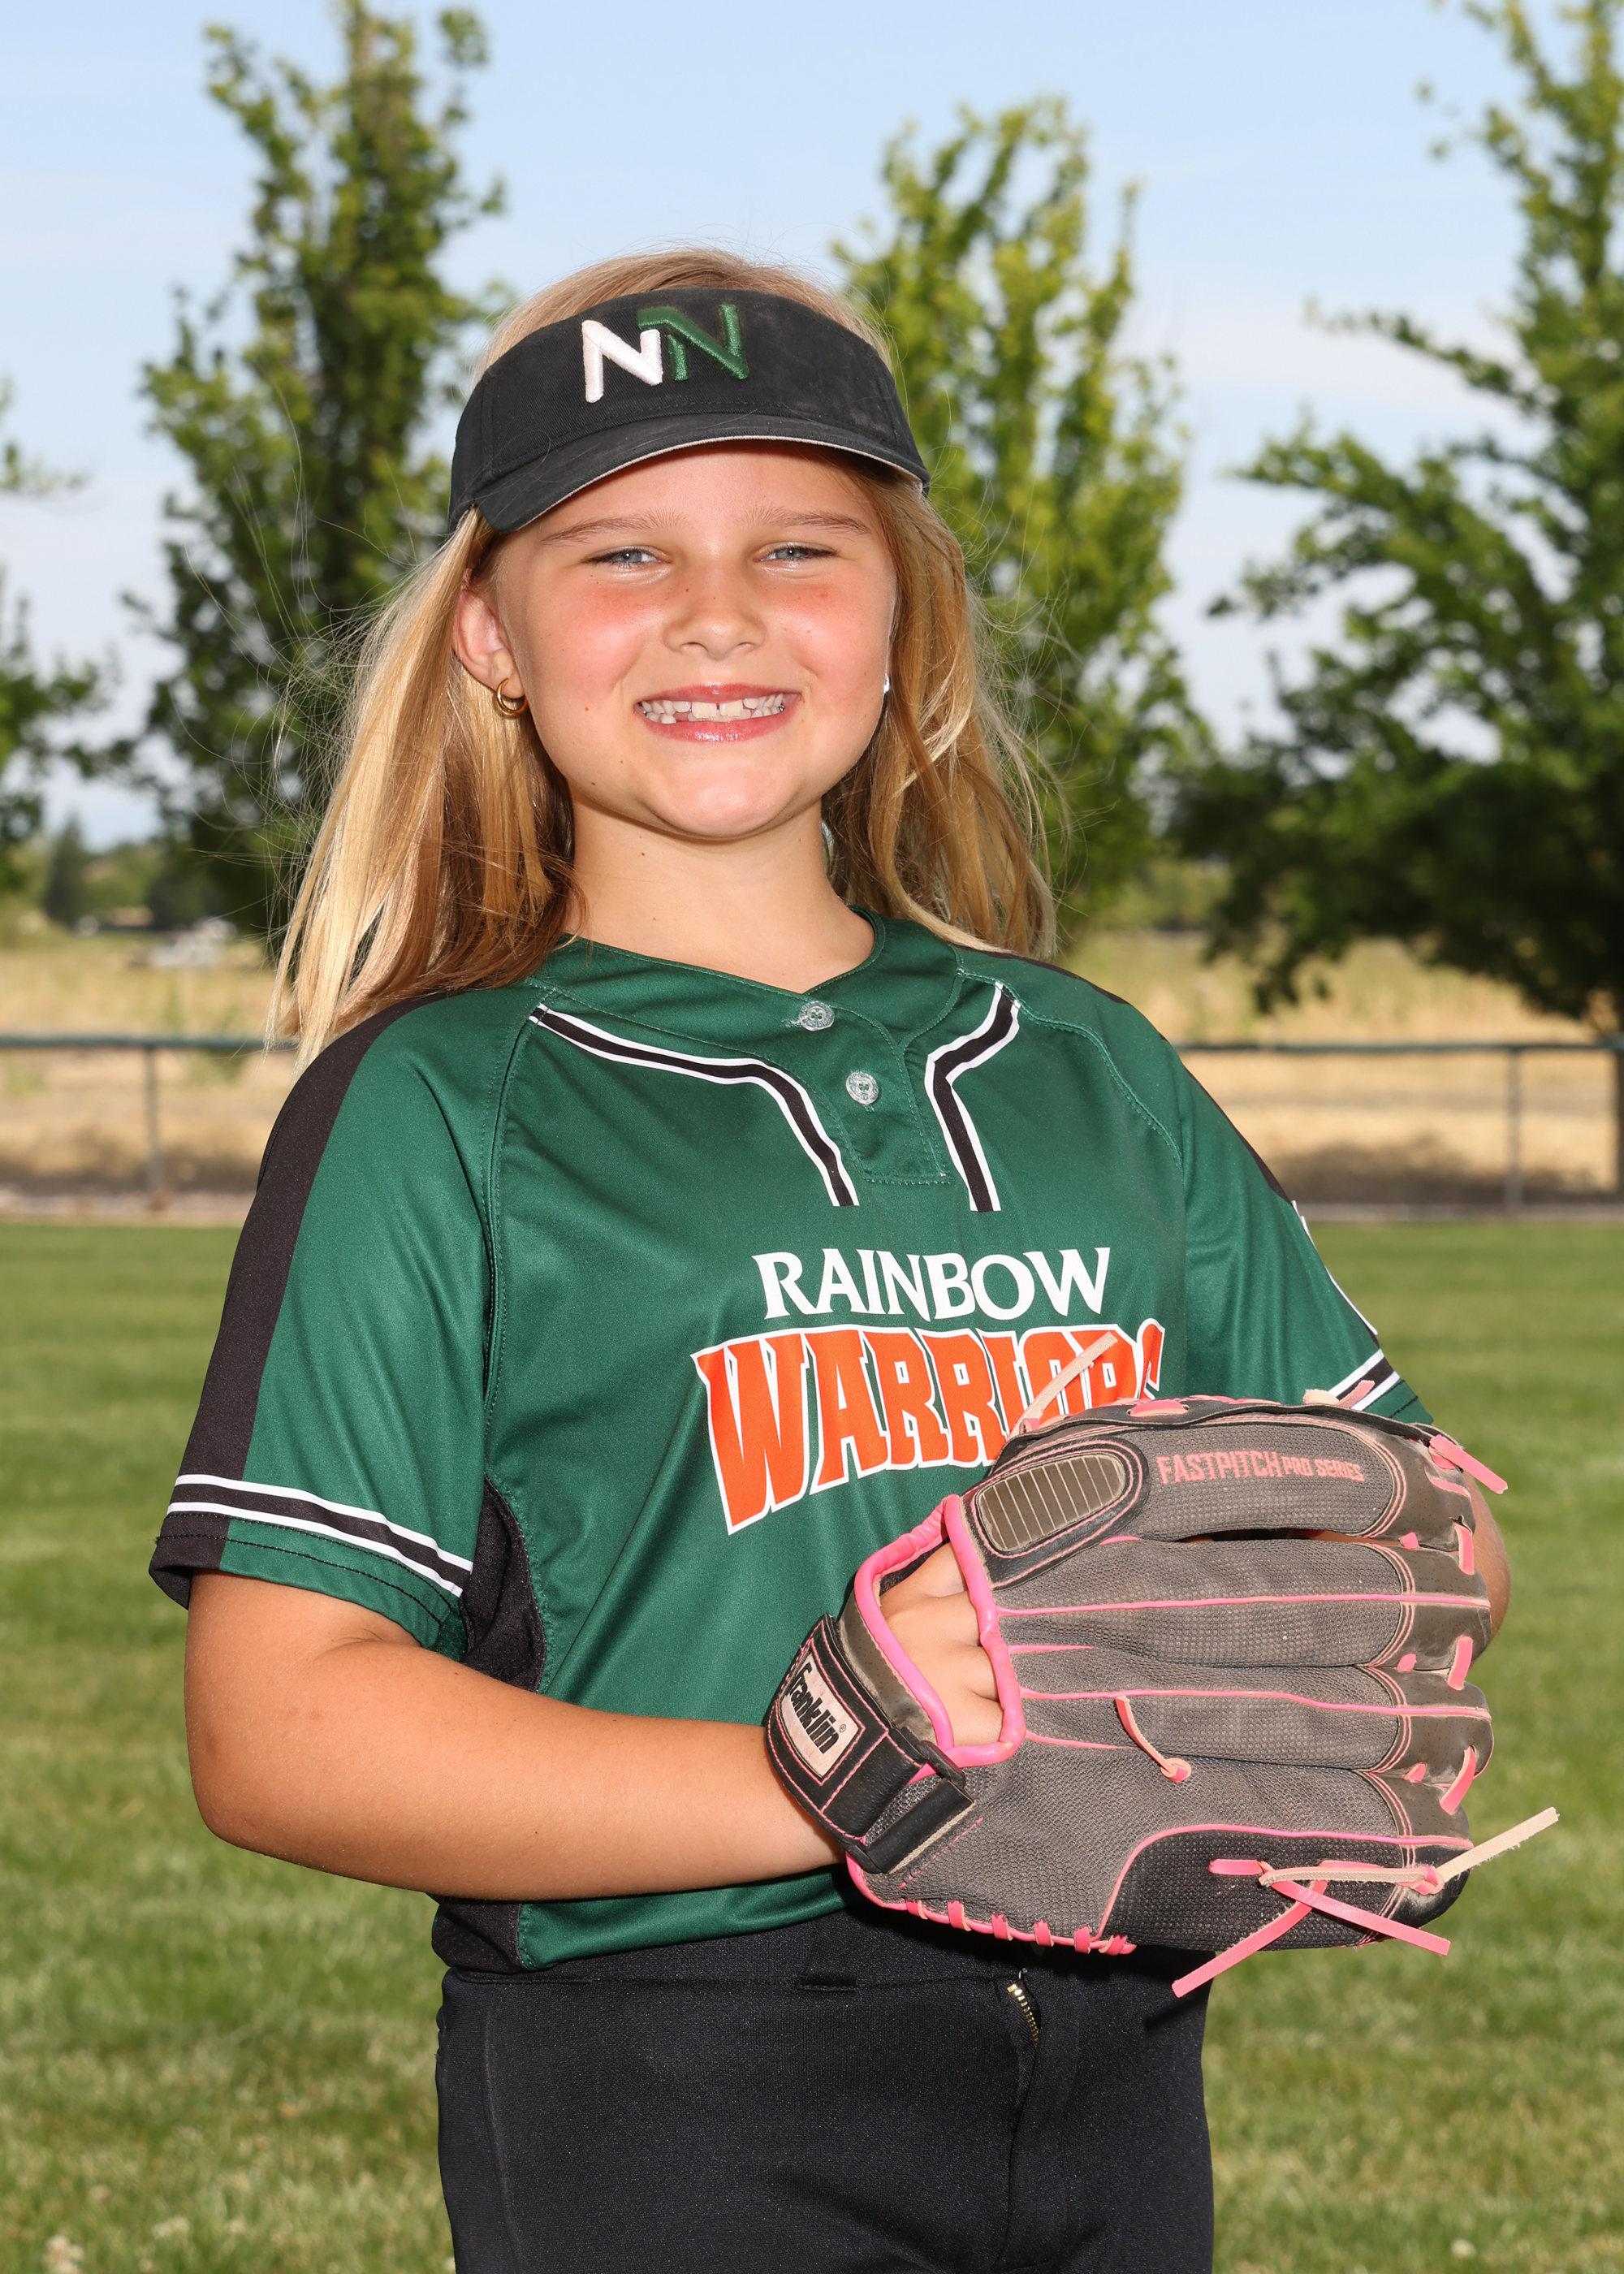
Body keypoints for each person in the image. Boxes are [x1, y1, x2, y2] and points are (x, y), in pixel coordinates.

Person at [149, 250, 1509, 2274]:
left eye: (798, 546)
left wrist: (1279, 1631)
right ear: (490, 635)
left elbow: (1406, 1543)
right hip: (679, 2073)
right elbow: (278, 1727)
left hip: (1117, 2053)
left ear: (902, 620)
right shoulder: (442, 1100)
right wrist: (841, 1762)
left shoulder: (1087, 1065)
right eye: (620, 552)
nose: (716, 612)